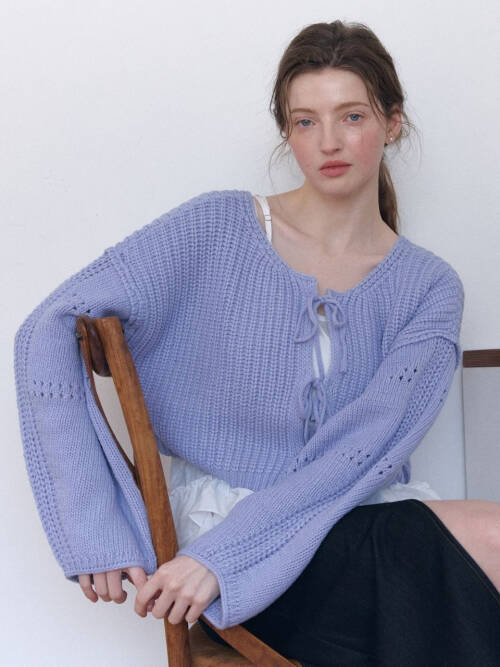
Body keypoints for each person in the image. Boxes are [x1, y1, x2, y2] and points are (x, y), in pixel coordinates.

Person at [13, 19, 500, 666]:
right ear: (286, 133)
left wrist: (227, 555)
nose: (328, 141)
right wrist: (94, 525)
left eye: (352, 116)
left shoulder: (429, 288)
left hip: (336, 525)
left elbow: (359, 452)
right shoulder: (218, 228)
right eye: (305, 122)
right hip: (225, 552)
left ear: (392, 124)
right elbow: (46, 328)